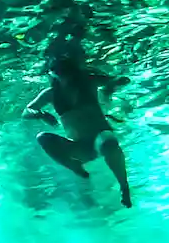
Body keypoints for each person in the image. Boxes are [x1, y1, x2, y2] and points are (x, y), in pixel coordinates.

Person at [24, 41, 132, 208]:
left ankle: (124, 187)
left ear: (73, 72)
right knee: (43, 138)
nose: (65, 78)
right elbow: (27, 111)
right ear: (53, 74)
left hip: (100, 139)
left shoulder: (88, 83)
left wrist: (114, 83)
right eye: (60, 74)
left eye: (67, 73)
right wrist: (41, 114)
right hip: (79, 147)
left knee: (109, 143)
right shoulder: (51, 94)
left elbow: (116, 80)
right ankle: (75, 167)